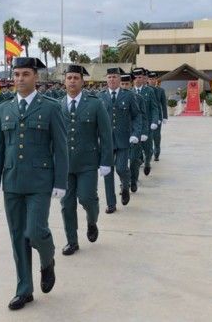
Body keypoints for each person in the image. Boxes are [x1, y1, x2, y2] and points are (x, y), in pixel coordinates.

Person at [0, 57, 68, 310]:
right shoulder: (3, 109)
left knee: (34, 231)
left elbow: (61, 148)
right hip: (11, 181)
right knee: (17, 238)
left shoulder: (51, 107)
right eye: (16, 74)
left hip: (40, 182)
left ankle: (47, 260)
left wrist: (60, 181)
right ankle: (24, 289)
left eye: (25, 74)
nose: (19, 79)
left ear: (36, 77)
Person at [59, 65, 113, 256]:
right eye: (69, 77)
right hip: (64, 165)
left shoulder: (95, 104)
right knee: (66, 204)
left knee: (87, 198)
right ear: (64, 81)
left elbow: (106, 134)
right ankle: (71, 241)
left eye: (76, 77)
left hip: (88, 162)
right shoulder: (57, 105)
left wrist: (106, 161)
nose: (72, 81)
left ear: (82, 81)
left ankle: (92, 221)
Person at [99, 67, 141, 214]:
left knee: (121, 168)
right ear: (106, 79)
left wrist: (136, 133)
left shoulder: (129, 96)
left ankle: (125, 185)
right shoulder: (100, 96)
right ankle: (111, 204)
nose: (112, 80)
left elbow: (136, 116)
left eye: (115, 77)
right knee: (107, 172)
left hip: (124, 139)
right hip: (106, 141)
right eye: (109, 77)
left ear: (119, 79)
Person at [132, 68, 159, 176]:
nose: (138, 80)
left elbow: (154, 108)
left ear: (143, 78)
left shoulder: (149, 91)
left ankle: (147, 162)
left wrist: (154, 121)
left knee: (148, 150)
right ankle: (134, 175)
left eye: (140, 77)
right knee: (135, 152)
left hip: (147, 127)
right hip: (134, 128)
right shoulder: (130, 92)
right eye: (135, 77)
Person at [147, 71, 168, 161]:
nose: (152, 81)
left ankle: (157, 151)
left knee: (156, 136)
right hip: (148, 116)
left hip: (158, 117)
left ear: (156, 80)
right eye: (150, 79)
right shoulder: (145, 90)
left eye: (154, 79)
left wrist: (165, 117)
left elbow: (163, 104)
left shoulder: (161, 90)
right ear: (148, 80)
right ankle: (149, 152)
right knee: (148, 136)